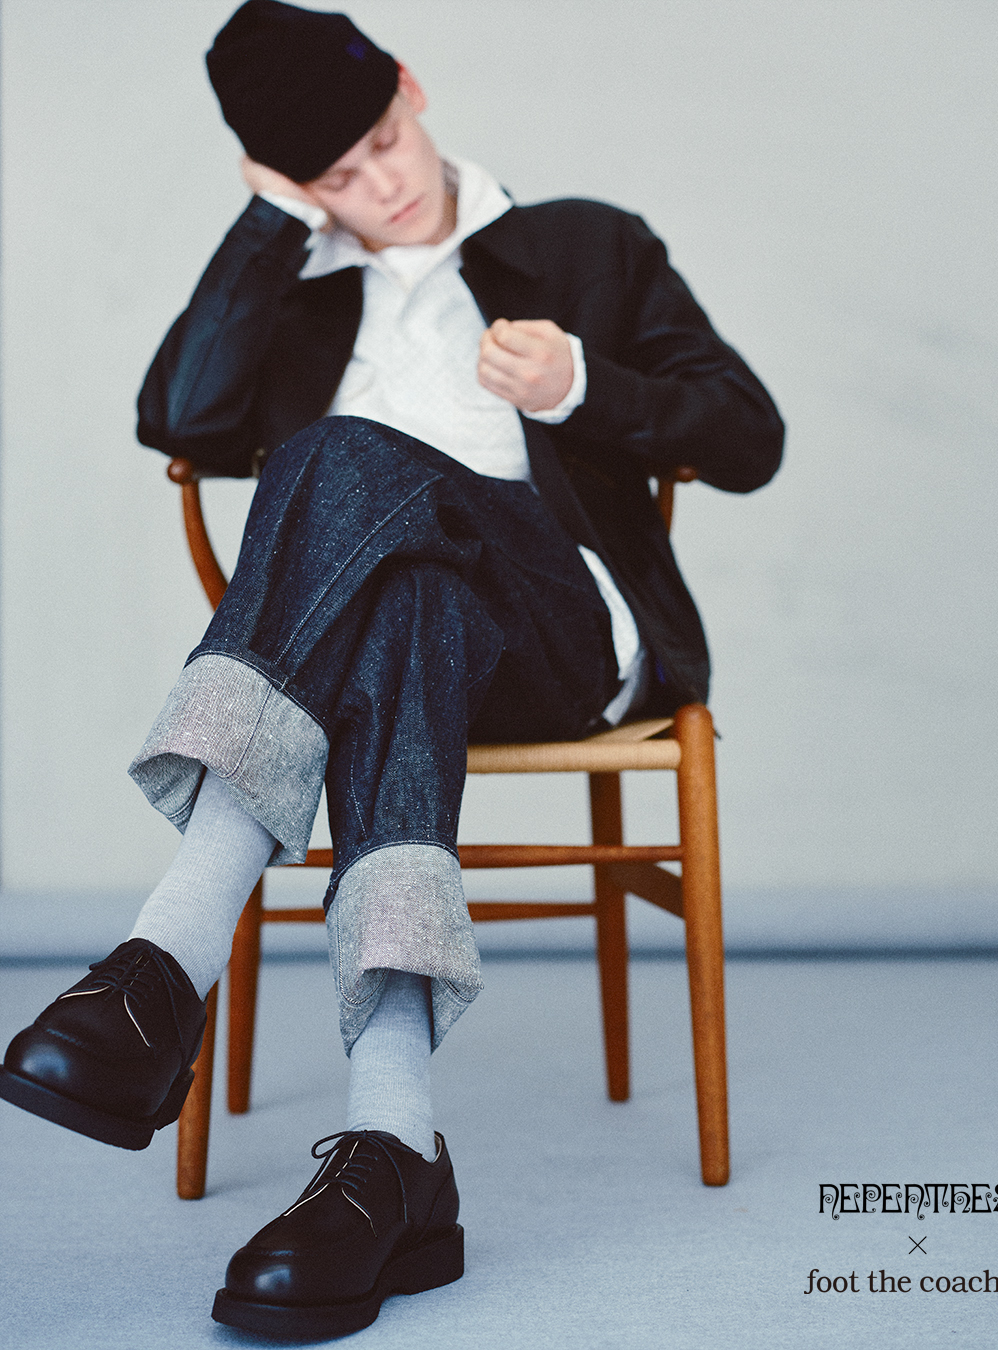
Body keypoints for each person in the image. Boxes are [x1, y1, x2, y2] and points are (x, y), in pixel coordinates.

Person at [0, 0, 783, 1338]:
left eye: (382, 142)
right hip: (385, 655)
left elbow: (748, 434)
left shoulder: (583, 245)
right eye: (335, 176)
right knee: (403, 595)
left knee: (337, 453)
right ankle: (394, 1152)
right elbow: (177, 417)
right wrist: (271, 224)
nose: (381, 183)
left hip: (560, 635)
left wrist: (583, 385)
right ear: (290, 183)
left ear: (412, 88)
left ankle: (164, 961)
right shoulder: (299, 291)